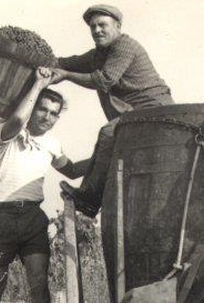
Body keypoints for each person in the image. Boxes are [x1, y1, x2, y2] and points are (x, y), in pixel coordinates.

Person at [0, 67, 87, 303]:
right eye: (42, 109)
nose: (47, 117)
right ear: (33, 106)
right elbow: (16, 120)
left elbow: (73, 170)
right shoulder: (6, 130)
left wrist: (107, 150)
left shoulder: (52, 144)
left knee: (39, 284)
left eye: (54, 113)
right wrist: (39, 83)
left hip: (31, 219)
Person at [51, 4, 174, 217]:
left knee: (109, 133)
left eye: (102, 25)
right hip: (133, 114)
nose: (97, 30)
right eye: (93, 27)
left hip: (154, 111)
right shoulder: (96, 55)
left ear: (117, 26)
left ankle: (89, 199)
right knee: (105, 145)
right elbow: (65, 62)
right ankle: (90, 191)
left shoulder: (125, 46)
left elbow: (104, 79)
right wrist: (41, 60)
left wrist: (65, 75)